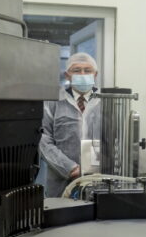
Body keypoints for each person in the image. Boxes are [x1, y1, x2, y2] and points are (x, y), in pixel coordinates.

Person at [36, 52, 102, 197]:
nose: (82, 74)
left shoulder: (105, 102)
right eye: (76, 70)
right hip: (61, 180)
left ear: (95, 74)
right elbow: (43, 139)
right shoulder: (53, 101)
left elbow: (114, 141)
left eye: (87, 70)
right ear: (67, 75)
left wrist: (97, 167)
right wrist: (69, 168)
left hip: (99, 178)